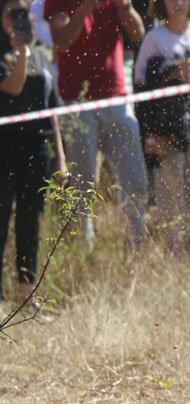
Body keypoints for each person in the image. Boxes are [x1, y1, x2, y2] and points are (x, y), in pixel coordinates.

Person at [44, 0, 149, 247]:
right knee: (81, 183)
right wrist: (85, 8)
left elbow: (138, 33)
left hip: (117, 98)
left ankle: (135, 247)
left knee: (135, 177)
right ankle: (81, 252)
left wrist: (125, 6)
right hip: (76, 101)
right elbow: (61, 42)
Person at [133, 0, 190, 253]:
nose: (178, 3)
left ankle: (189, 240)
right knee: (170, 187)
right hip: (168, 128)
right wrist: (172, 71)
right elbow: (140, 79)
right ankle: (172, 245)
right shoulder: (155, 38)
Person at [1, 0, 65, 304]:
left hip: (36, 148)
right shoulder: (4, 53)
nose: (18, 18)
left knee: (31, 220)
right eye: (11, 13)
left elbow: (53, 109)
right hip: (4, 147)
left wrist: (61, 158)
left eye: (22, 12)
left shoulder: (42, 49)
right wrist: (21, 53)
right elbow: (12, 87)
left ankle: (26, 295)